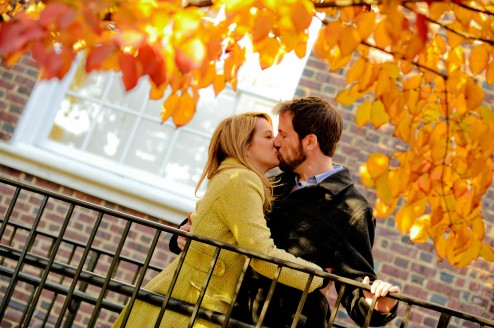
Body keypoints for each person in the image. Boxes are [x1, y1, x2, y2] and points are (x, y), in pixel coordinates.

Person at [171, 97, 400, 327]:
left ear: (310, 142)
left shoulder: (353, 209)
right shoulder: (272, 183)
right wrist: (184, 233)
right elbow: (221, 219)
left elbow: (354, 285)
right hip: (232, 316)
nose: (277, 142)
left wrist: (377, 304)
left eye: (283, 134)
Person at [113, 112, 329, 328]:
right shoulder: (241, 180)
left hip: (186, 304)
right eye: (267, 136)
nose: (276, 143)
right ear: (243, 145)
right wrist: (319, 277)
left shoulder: (234, 175)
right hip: (186, 308)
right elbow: (261, 253)